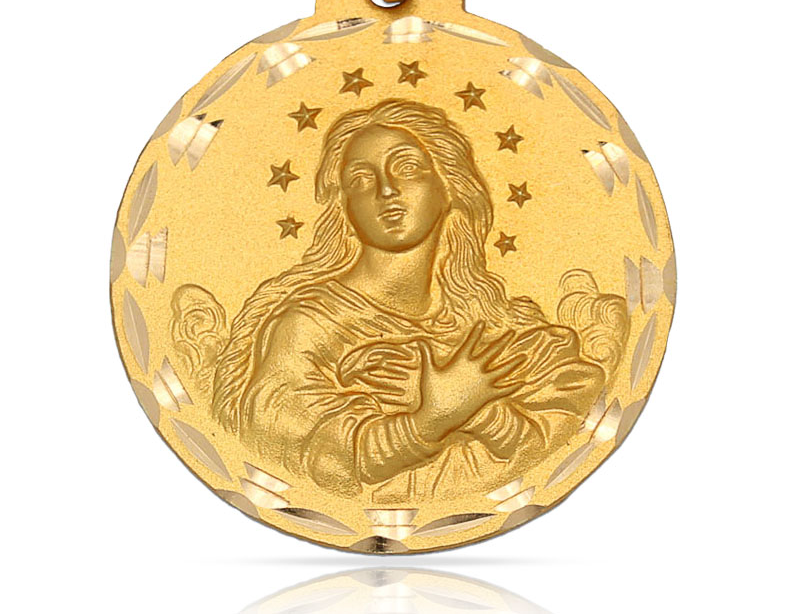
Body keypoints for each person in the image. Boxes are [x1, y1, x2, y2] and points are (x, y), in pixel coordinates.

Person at [172, 99, 628, 500]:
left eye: (407, 169)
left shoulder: (502, 327)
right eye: (361, 179)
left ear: (449, 188)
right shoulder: (309, 325)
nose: (386, 190)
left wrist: (478, 410)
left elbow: (562, 421)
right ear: (345, 206)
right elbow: (297, 446)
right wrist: (428, 419)